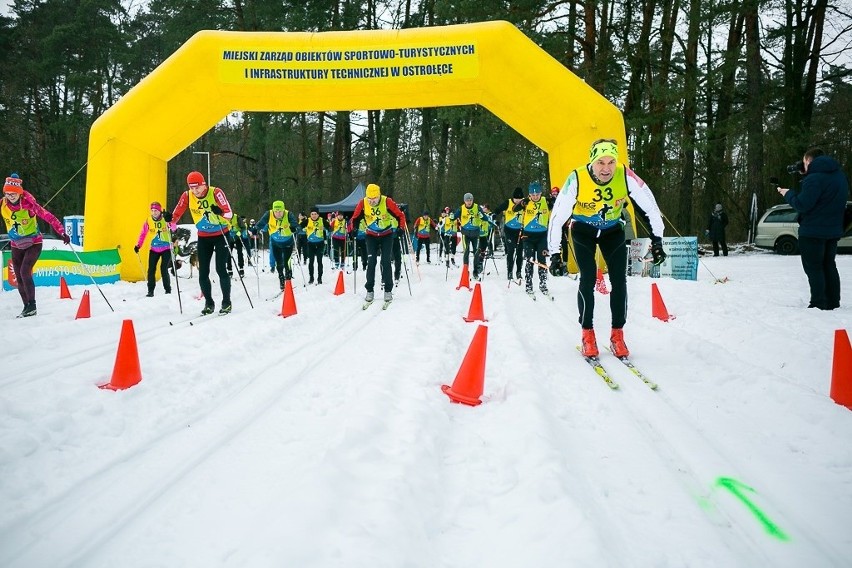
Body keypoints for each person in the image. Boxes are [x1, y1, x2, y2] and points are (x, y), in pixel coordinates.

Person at [548, 139, 667, 358]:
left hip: (613, 231)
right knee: (588, 277)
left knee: (619, 280)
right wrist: (555, 254)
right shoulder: (576, 178)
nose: (606, 168)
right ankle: (587, 334)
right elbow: (556, 219)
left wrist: (657, 241)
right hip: (583, 231)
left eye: (611, 162)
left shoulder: (625, 175)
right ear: (592, 161)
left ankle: (617, 334)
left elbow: (651, 208)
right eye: (600, 162)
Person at [778, 147, 849, 310]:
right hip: (833, 230)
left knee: (814, 267)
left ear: (809, 161)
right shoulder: (839, 175)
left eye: (804, 162)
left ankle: (818, 302)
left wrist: (788, 194)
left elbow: (803, 204)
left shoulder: (814, 179)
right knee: (829, 265)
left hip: (812, 231)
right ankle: (832, 301)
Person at [1, 173, 70, 317]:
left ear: (19, 193)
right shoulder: (2, 204)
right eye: (7, 193)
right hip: (16, 244)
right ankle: (26, 307)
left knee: (25, 271)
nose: (10, 196)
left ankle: (32, 305)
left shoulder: (29, 205)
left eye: (13, 193)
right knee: (18, 277)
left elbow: (49, 217)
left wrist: (62, 232)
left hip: (34, 242)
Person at [169, 171, 234, 315]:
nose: (195, 191)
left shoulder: (216, 192)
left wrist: (220, 212)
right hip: (203, 237)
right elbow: (176, 214)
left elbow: (229, 213)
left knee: (220, 269)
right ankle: (209, 303)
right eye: (192, 188)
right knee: (203, 272)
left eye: (197, 187)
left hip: (221, 234)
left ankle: (226, 302)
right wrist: (169, 220)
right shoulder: (187, 196)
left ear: (204, 184)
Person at [348, 183, 407, 303]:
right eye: (369, 199)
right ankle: (369, 290)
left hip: (386, 235)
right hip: (371, 235)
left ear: (379, 196)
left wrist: (401, 228)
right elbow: (355, 218)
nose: (371, 202)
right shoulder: (363, 203)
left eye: (374, 199)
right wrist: (352, 230)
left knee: (385, 261)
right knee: (371, 261)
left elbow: (400, 216)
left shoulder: (387, 201)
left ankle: (388, 290)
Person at [253, 201, 299, 290]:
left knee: (286, 261)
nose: (278, 213)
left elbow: (296, 225)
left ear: (283, 210)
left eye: (280, 211)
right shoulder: (268, 214)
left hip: (287, 242)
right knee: (279, 262)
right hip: (275, 242)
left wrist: (294, 228)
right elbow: (261, 223)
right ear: (273, 210)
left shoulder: (288, 214)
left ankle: (288, 278)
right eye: (276, 211)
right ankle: (281, 279)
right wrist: (256, 229)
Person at [134, 201, 173, 297]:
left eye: (156, 210)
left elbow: (174, 228)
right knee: (151, 269)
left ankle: (167, 290)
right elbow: (143, 234)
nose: (154, 212)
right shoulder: (148, 220)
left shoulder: (165, 219)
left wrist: (170, 220)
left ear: (160, 211)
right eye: (152, 210)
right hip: (154, 249)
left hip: (166, 248)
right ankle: (150, 291)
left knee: (163, 268)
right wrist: (138, 245)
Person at [519, 181, 551, 296]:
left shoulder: (546, 201)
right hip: (528, 236)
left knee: (542, 260)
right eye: (533, 195)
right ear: (529, 194)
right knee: (530, 260)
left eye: (537, 194)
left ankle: (543, 284)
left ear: (541, 193)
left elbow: (559, 205)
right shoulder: (526, 202)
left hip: (542, 236)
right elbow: (514, 209)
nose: (535, 197)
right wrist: (522, 202)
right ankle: (528, 284)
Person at [493, 188, 525, 280]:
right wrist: (495, 214)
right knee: (511, 251)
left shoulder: (524, 204)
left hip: (520, 230)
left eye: (519, 200)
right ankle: (509, 272)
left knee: (519, 252)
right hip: (509, 230)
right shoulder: (508, 203)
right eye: (516, 199)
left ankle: (518, 272)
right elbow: (499, 208)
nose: (517, 201)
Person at [454, 192, 486, 279]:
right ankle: (465, 270)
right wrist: (451, 216)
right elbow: (454, 216)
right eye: (467, 200)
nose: (469, 202)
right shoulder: (461, 208)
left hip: (475, 234)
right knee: (466, 252)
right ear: (464, 201)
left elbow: (485, 218)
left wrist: (481, 215)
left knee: (476, 253)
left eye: (470, 200)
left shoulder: (477, 207)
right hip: (465, 234)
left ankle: (475, 271)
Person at [300, 206, 330, 284]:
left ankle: (319, 278)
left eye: (315, 214)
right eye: (312, 214)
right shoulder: (307, 221)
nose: (313, 215)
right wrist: (299, 229)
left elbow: (330, 227)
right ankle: (311, 278)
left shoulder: (322, 220)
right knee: (311, 261)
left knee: (319, 261)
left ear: (318, 214)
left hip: (320, 243)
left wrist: (327, 229)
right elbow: (299, 227)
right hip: (310, 243)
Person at [226, 212, 246, 277]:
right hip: (230, 237)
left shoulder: (237, 217)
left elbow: (243, 227)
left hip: (238, 237)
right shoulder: (224, 218)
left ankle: (241, 268)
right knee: (228, 253)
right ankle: (229, 270)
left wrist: (238, 234)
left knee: (240, 252)